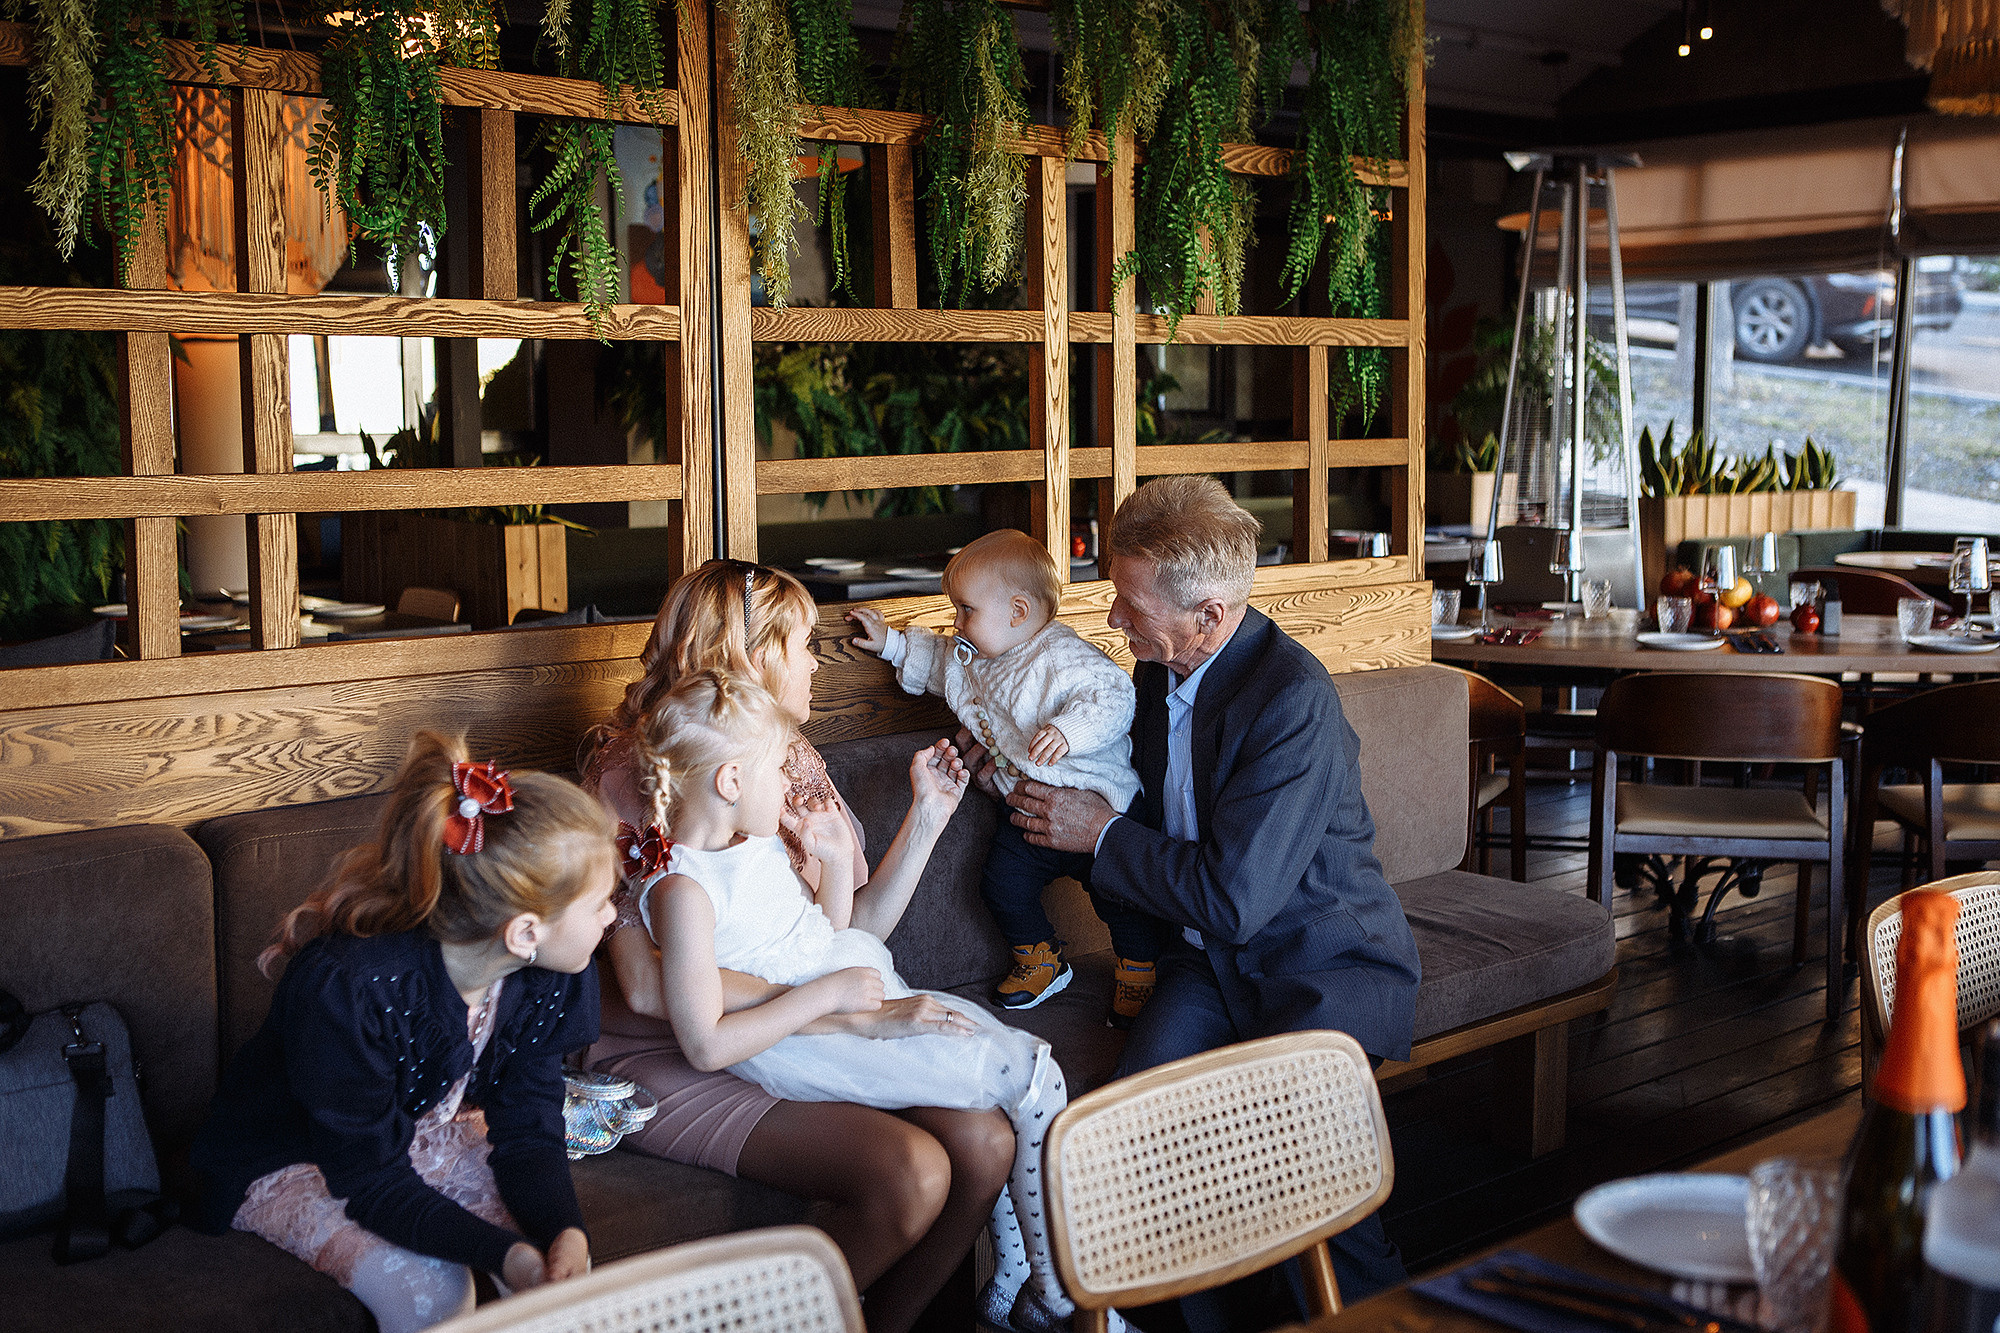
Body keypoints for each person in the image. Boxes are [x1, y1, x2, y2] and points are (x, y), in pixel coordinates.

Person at [986, 476, 1424, 1328]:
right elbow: (1120, 791)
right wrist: (1006, 769)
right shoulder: (1155, 676)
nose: (1113, 619)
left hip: (1321, 965)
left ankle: (1375, 1317)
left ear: (1210, 616)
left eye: (1129, 602)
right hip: (1209, 967)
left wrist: (1102, 835)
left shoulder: (1293, 699)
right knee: (1135, 1139)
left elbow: (1234, 896)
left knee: (1301, 1167)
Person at [578, 560, 1016, 1333]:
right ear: (750, 656)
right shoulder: (640, 773)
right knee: (913, 1171)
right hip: (671, 1047)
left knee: (984, 1141)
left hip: (794, 1019)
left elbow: (841, 937)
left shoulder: (794, 759)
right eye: (805, 642)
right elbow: (649, 991)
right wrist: (835, 1010)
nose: (818, 661)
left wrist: (927, 818)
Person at [632, 669, 1091, 1333]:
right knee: (1026, 1071)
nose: (790, 785)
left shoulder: (753, 842)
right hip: (803, 1043)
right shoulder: (682, 891)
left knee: (1005, 1074)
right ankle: (1060, 1287)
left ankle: (1023, 1272)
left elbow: (820, 938)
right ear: (730, 782)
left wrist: (833, 870)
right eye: (775, 771)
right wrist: (833, 999)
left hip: (851, 998)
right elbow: (704, 1041)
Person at [191, 732, 614, 1333]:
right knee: (437, 1297)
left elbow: (529, 1127)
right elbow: (369, 1176)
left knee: (561, 1283)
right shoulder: (348, 990)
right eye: (599, 903)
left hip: (421, 1137)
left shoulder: (550, 973)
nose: (612, 916)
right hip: (299, 1156)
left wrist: (562, 1232)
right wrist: (504, 1254)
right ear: (524, 932)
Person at [848, 529, 1159, 1026]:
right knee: (1002, 882)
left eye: (966, 609)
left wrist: (1069, 729)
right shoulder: (978, 656)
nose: (957, 622)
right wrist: (890, 643)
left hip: (1100, 806)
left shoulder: (1061, 658)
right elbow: (937, 661)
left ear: (1017, 612)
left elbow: (1115, 696)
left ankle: (1141, 966)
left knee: (1120, 896)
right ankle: (1040, 958)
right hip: (1028, 808)